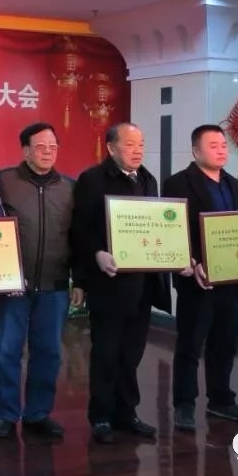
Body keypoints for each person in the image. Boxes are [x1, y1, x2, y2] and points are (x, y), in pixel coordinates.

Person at [71, 122, 176, 444]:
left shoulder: (147, 179)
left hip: (143, 283)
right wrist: (96, 254)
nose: (137, 150)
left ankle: (127, 413)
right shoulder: (92, 179)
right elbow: (80, 229)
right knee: (106, 352)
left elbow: (157, 227)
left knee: (132, 353)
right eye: (130, 144)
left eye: (141, 144)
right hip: (110, 282)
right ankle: (101, 416)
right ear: (111, 148)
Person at [161, 125, 238, 432]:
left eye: (223, 145)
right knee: (190, 343)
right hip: (197, 278)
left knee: (225, 342)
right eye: (213, 145)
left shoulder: (232, 183)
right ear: (195, 151)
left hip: (230, 278)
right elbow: (174, 230)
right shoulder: (178, 183)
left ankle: (221, 399)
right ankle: (184, 404)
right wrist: (191, 262)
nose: (221, 150)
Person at [0, 122, 74, 440]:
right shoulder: (3, 181)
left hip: (54, 285)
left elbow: (77, 236)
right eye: (40, 147)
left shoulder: (69, 187)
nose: (47, 153)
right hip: (13, 285)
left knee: (49, 352)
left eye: (53, 147)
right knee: (7, 351)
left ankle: (38, 413)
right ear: (25, 150)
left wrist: (78, 280)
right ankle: (6, 415)